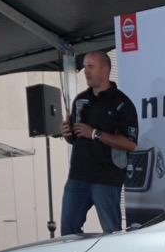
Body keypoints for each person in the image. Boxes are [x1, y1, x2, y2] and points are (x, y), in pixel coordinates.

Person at [59, 51, 138, 234]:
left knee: (111, 232)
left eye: (90, 66)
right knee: (68, 232)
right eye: (84, 66)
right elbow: (75, 139)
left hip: (106, 179)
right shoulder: (80, 100)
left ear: (105, 70)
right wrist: (67, 134)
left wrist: (94, 133)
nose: (85, 71)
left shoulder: (122, 103)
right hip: (77, 177)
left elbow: (130, 143)